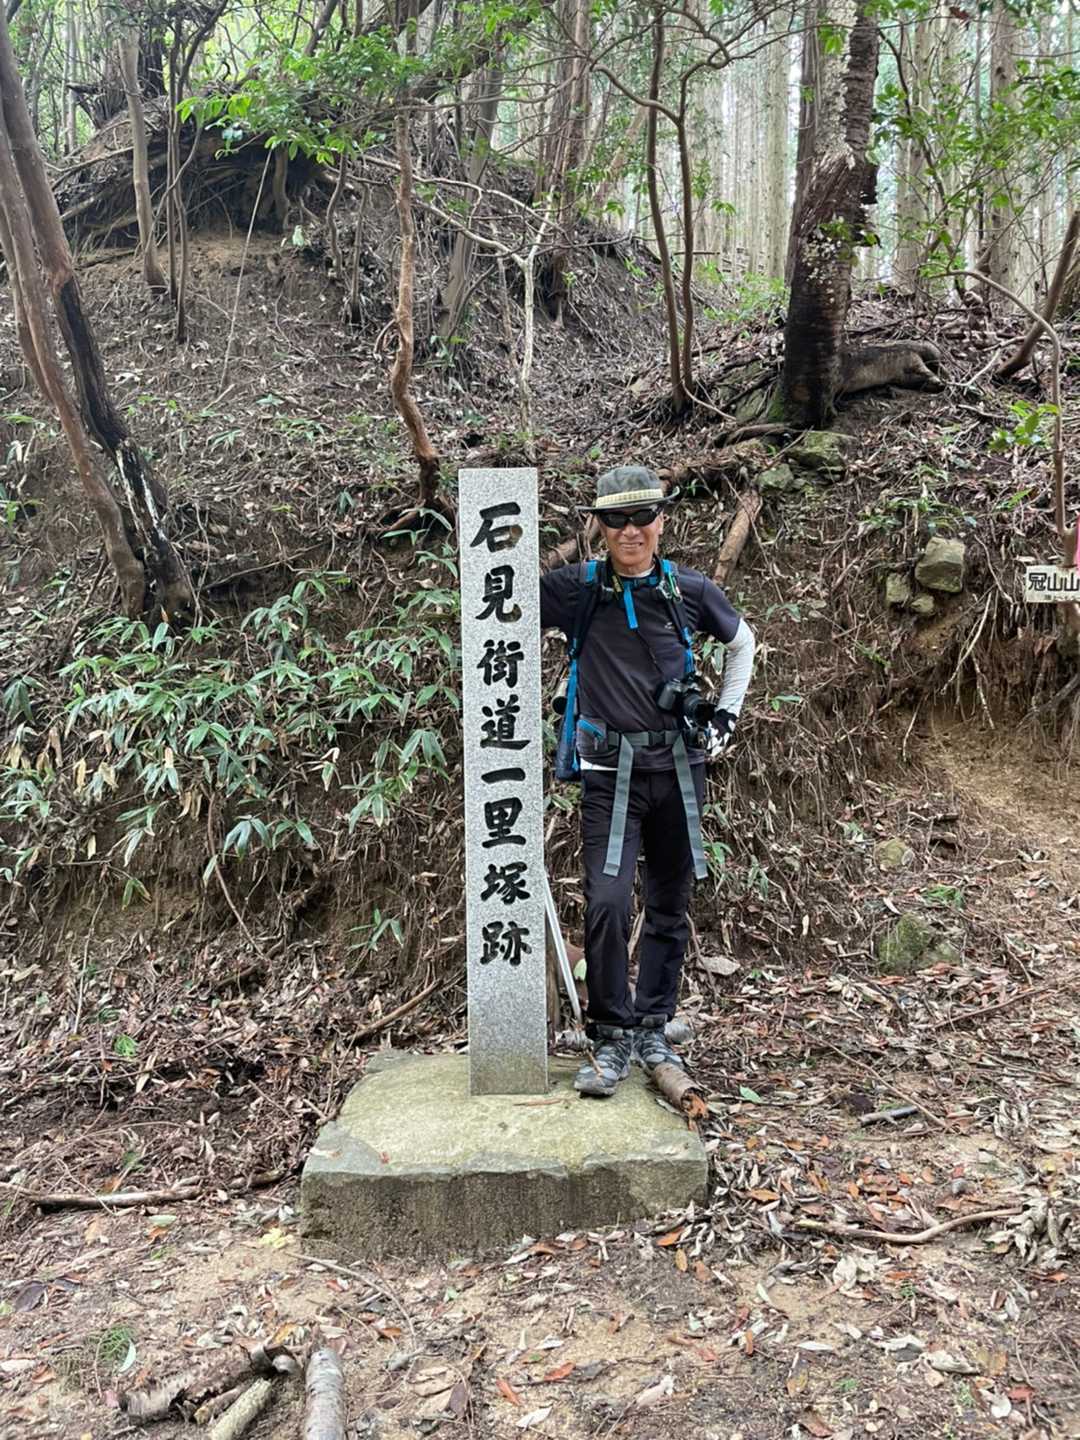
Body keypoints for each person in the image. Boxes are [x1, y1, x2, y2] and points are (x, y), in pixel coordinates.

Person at [540, 466, 755, 1097]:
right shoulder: (577, 590)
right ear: (599, 526)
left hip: (681, 771)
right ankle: (611, 1032)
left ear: (661, 520)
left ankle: (653, 1025)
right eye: (616, 519)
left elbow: (742, 643)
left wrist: (726, 719)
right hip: (611, 776)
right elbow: (499, 599)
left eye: (642, 517)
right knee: (607, 901)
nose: (630, 531)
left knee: (669, 902)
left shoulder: (688, 590)